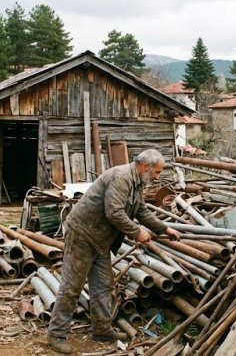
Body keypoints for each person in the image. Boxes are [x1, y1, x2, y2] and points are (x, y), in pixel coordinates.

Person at [47, 149, 182, 354]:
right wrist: (137, 232)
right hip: (82, 235)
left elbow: (141, 211)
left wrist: (164, 229)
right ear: (145, 166)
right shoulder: (121, 178)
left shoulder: (137, 183)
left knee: (103, 286)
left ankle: (101, 330)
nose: (158, 177)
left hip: (100, 240)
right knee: (72, 287)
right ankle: (56, 334)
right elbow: (114, 212)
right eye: (157, 172)